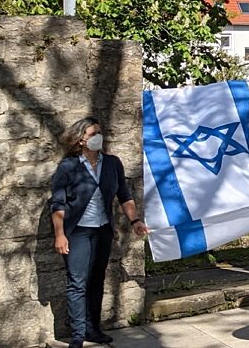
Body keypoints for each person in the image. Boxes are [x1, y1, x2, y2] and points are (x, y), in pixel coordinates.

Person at [49, 117, 148, 348]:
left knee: (96, 280)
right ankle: (77, 333)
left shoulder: (112, 163)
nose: (98, 137)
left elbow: (124, 195)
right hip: (78, 232)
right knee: (77, 282)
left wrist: (134, 220)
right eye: (93, 134)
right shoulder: (69, 166)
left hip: (103, 231)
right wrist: (60, 234)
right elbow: (58, 203)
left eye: (99, 133)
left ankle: (93, 329)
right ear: (80, 140)